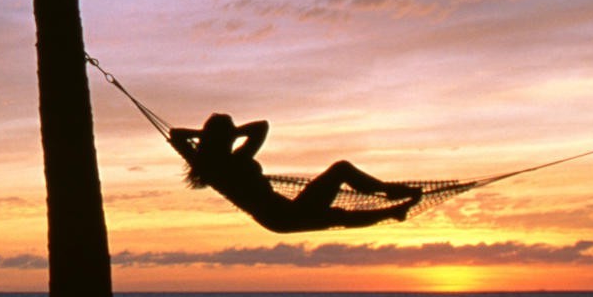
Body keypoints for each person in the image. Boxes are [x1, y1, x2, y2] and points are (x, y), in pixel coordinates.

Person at [170, 113, 424, 233]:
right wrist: (229, 133)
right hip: (284, 215)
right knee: (340, 172)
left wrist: (214, 134)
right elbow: (261, 127)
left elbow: (176, 136)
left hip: (282, 215)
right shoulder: (233, 162)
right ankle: (390, 196)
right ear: (223, 138)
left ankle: (393, 209)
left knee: (336, 215)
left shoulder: (207, 165)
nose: (234, 135)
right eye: (231, 131)